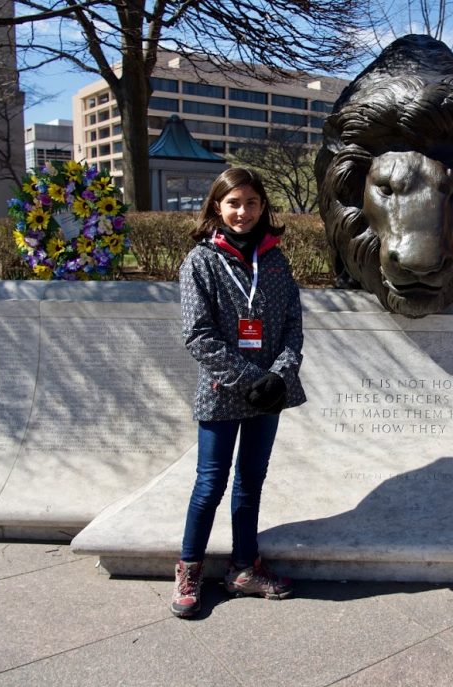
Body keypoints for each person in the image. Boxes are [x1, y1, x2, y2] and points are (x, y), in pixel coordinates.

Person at [172, 167, 307, 618]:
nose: (242, 212)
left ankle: (243, 568)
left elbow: (293, 325)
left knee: (250, 483)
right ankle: (189, 567)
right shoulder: (201, 262)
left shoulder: (275, 261)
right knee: (210, 484)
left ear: (262, 206)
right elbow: (198, 335)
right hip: (223, 391)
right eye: (233, 203)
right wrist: (250, 379)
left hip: (269, 392)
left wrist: (279, 375)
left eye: (251, 203)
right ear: (216, 207)